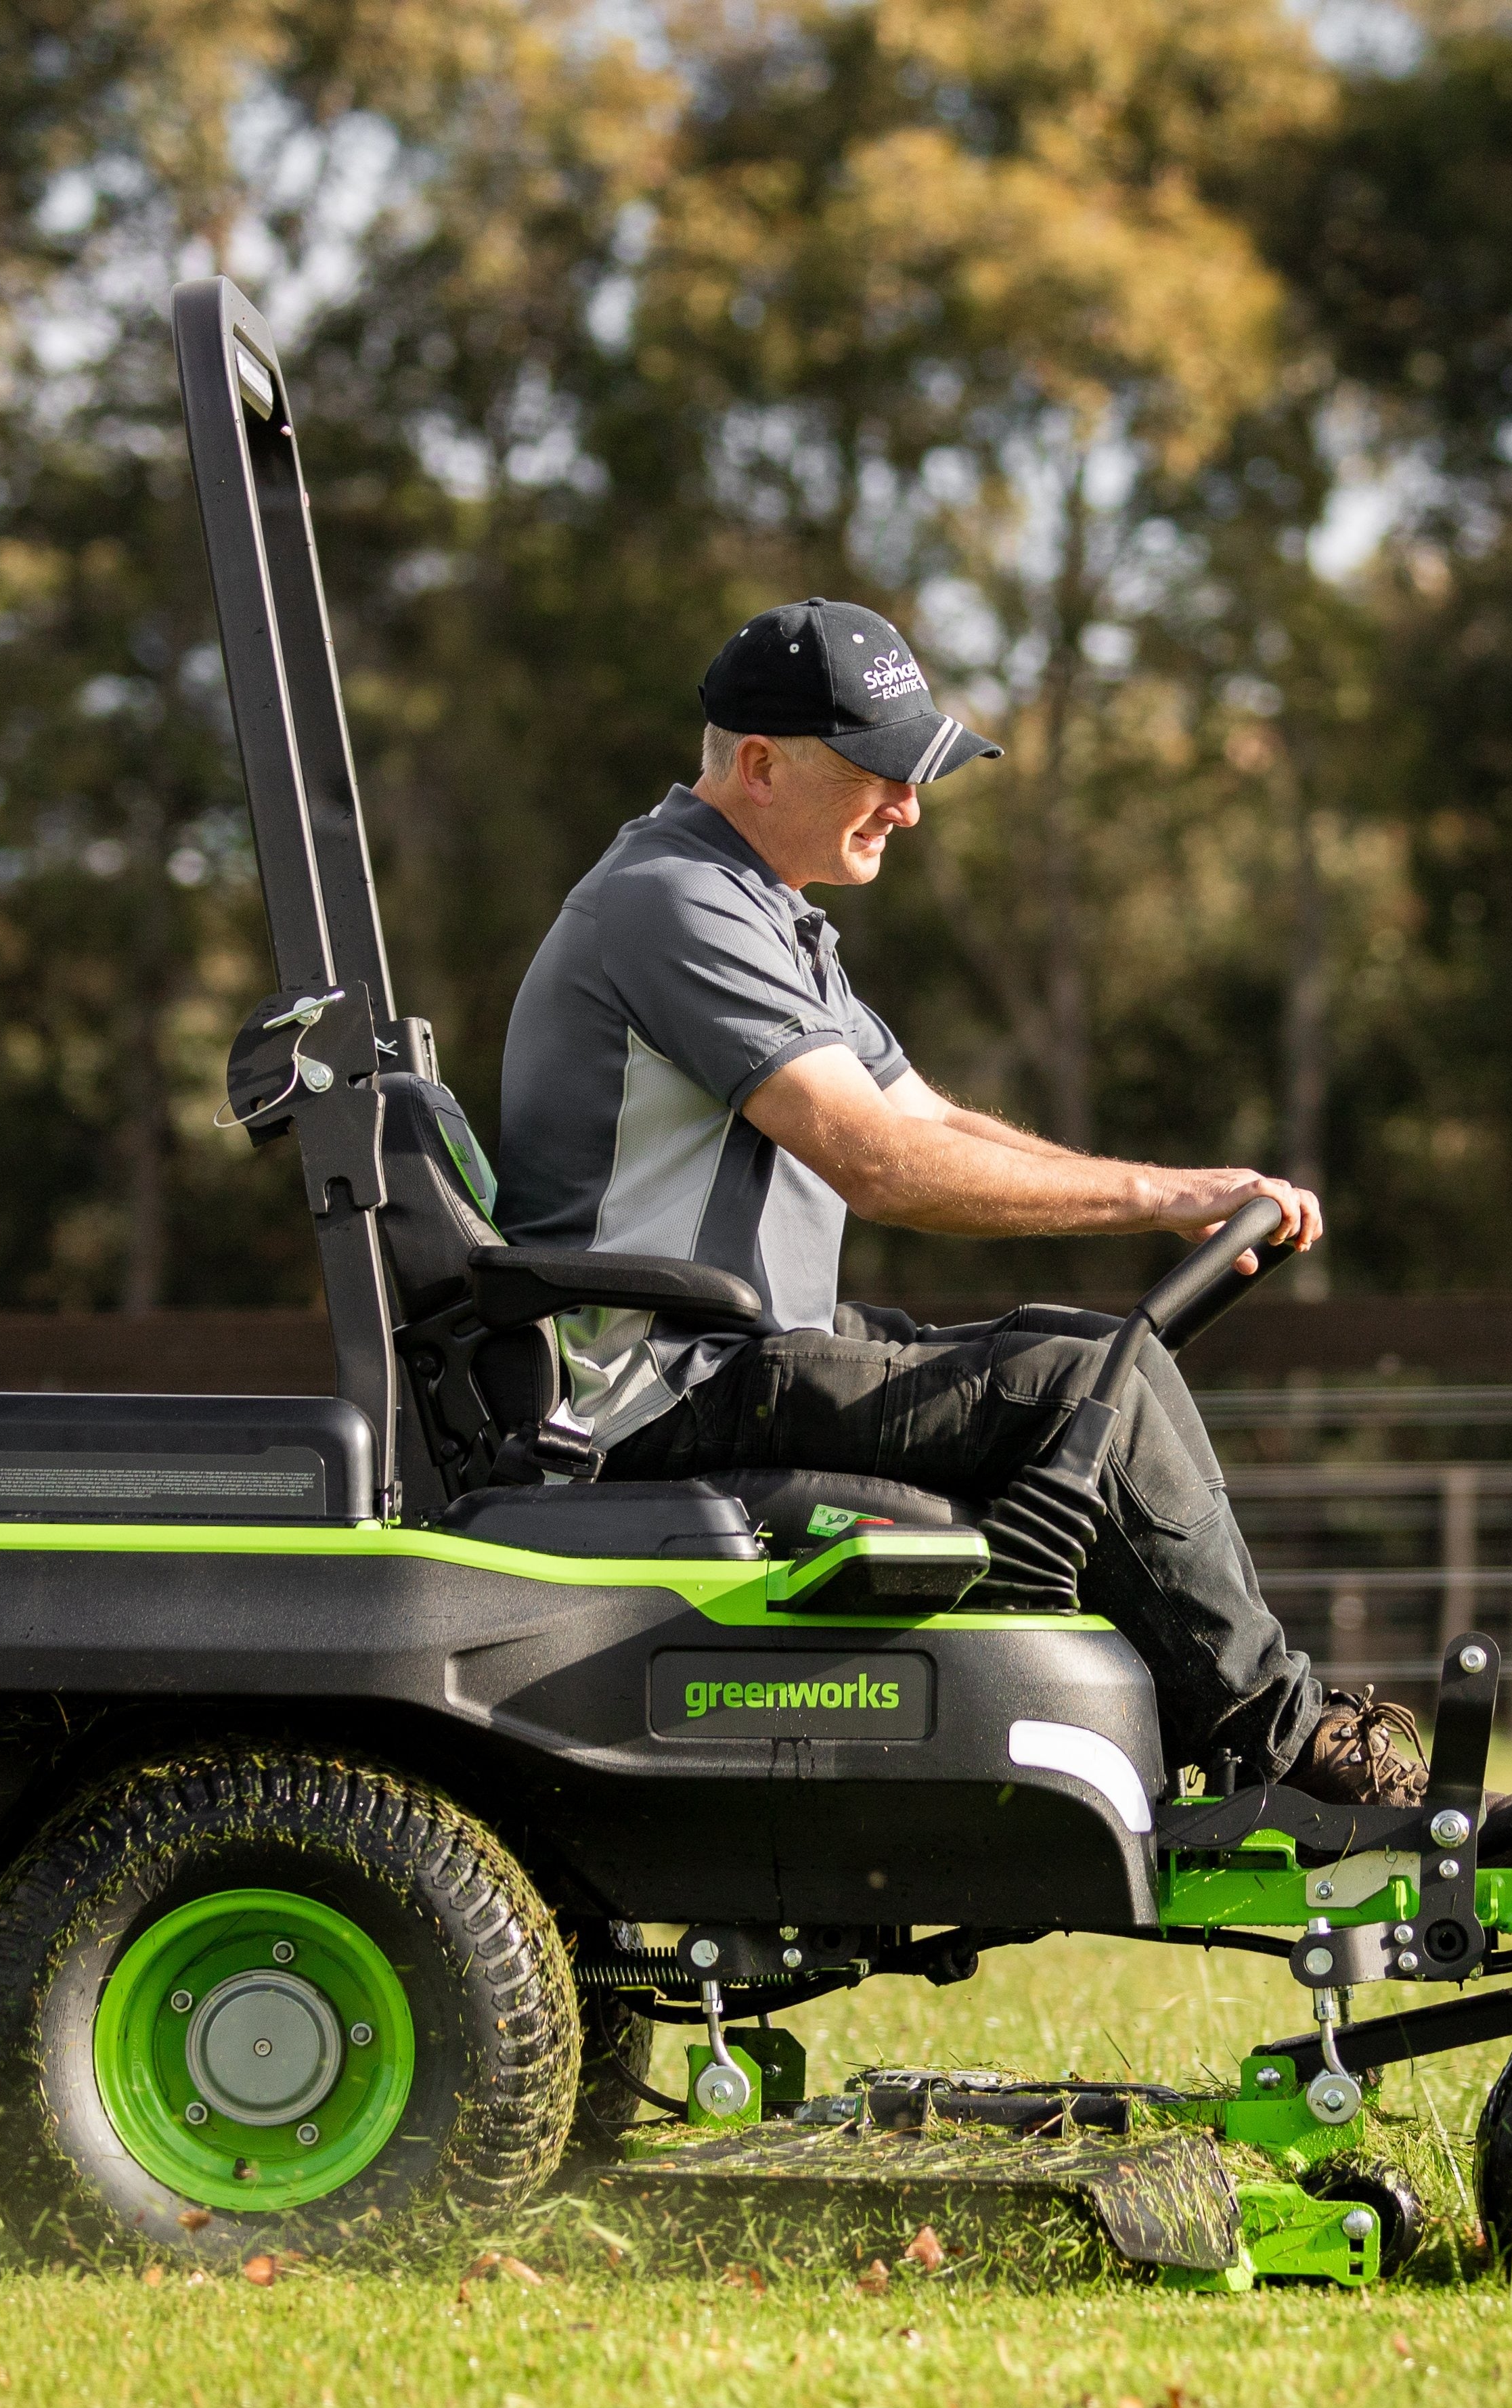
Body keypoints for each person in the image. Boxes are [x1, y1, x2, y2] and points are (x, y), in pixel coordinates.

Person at [493, 597, 1425, 1806]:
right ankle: (1297, 1766)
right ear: (761, 766)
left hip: (731, 1353)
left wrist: (1178, 1196)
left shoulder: (758, 907)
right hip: (664, 1390)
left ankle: (1252, 1746)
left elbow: (925, 1117)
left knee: (1105, 1359)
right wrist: (1155, 1194)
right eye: (878, 772)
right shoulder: (674, 903)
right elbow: (880, 1164)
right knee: (1082, 1391)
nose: (910, 805)